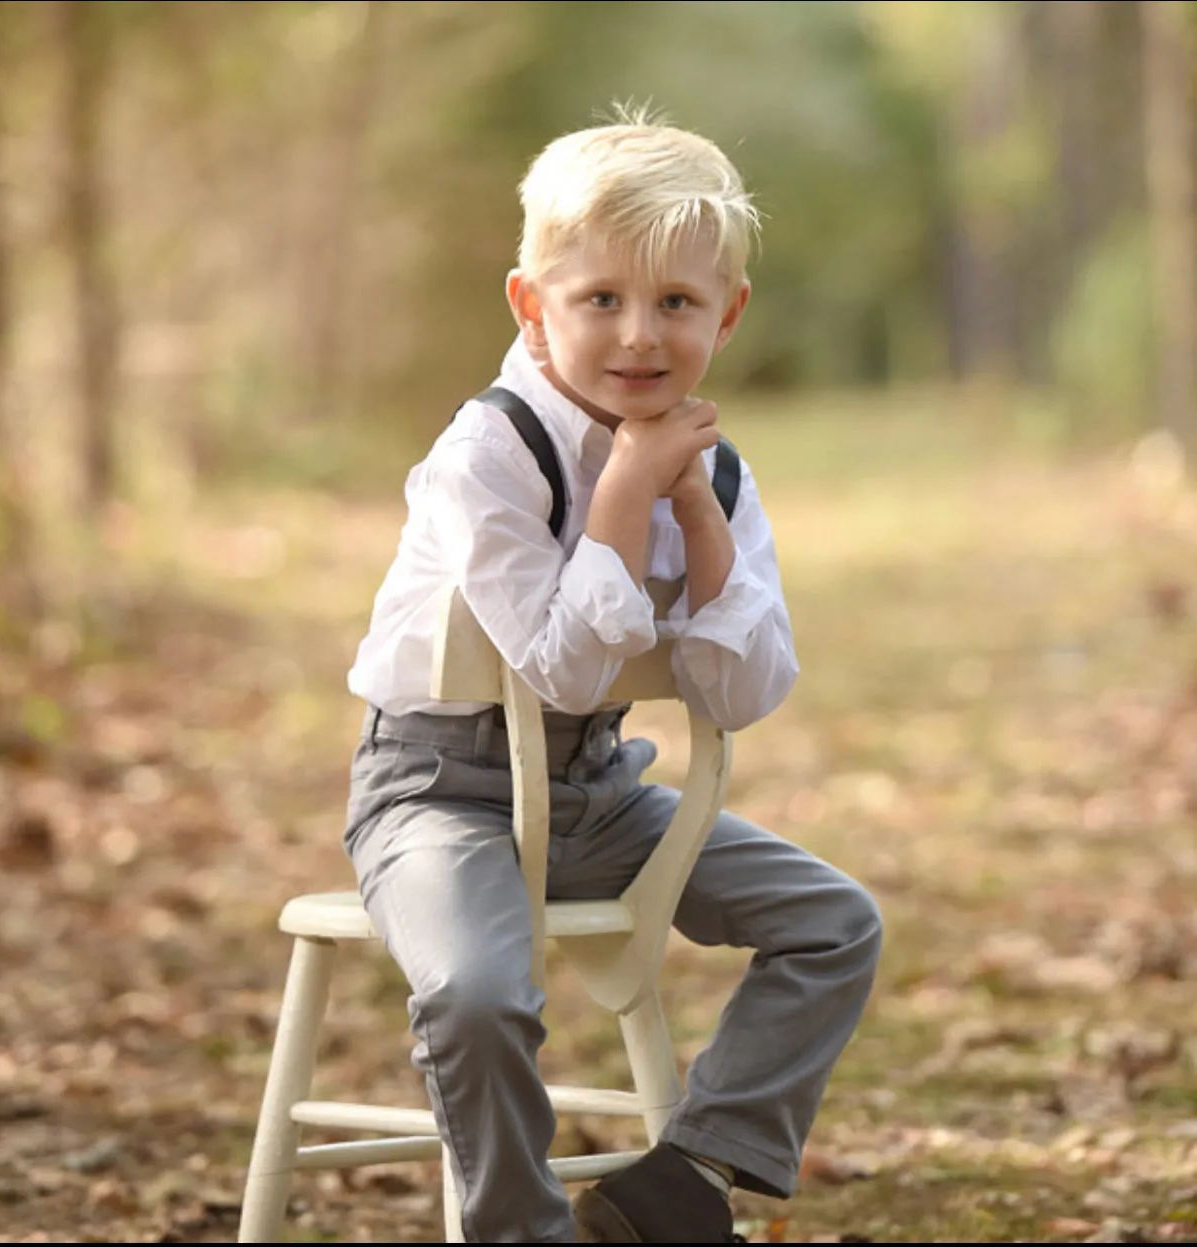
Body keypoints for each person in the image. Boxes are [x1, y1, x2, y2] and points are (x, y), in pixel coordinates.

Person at [342, 108, 883, 1244]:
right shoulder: (487, 452)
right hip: (439, 792)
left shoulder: (714, 467)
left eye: (676, 303)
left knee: (836, 923)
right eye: (600, 300)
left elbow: (741, 692)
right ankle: (521, 1228)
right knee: (478, 993)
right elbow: (562, 666)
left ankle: (682, 1179)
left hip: (597, 792)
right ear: (531, 303)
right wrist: (628, 491)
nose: (639, 335)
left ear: (725, 313)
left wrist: (694, 506)